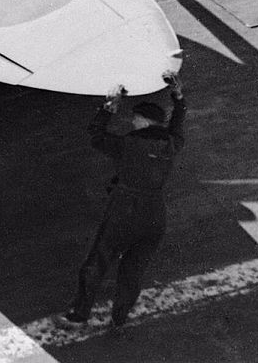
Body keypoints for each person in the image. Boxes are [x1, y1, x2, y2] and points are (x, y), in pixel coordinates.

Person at [62, 72, 186, 335]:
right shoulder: (172, 144)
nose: (132, 121)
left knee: (98, 262)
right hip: (155, 215)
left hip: (125, 211)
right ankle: (119, 318)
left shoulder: (129, 144)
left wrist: (109, 106)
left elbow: (96, 135)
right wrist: (178, 97)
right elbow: (177, 123)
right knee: (133, 271)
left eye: (134, 118)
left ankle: (79, 314)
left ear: (142, 120)